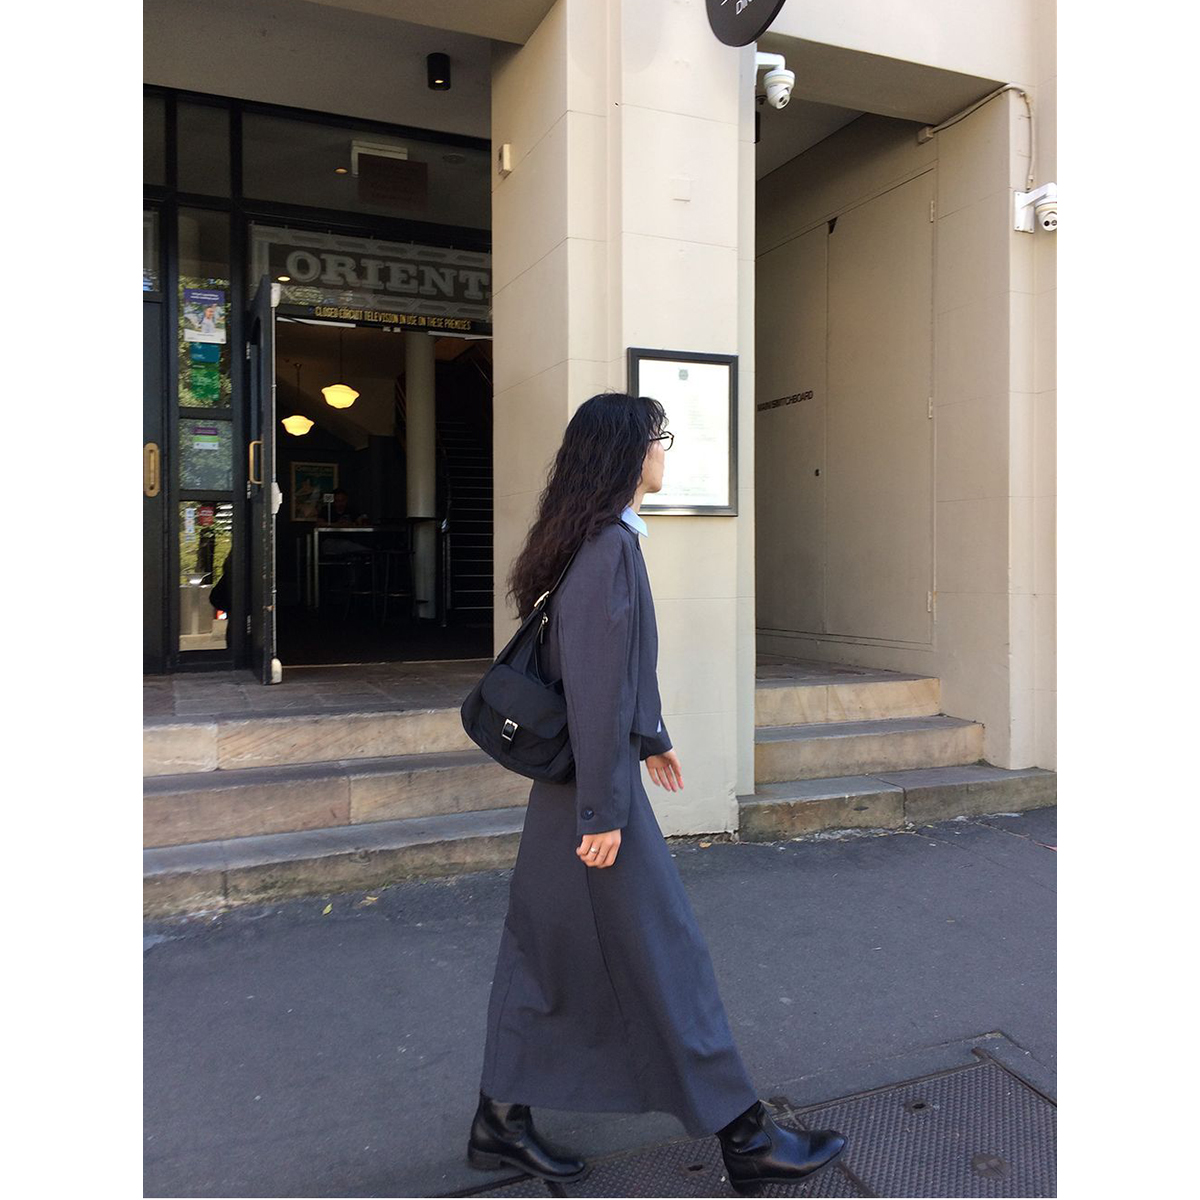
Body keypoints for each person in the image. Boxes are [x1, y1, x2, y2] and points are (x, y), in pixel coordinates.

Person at [467, 393, 847, 1194]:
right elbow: (597, 687)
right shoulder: (606, 546)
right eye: (657, 438)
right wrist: (606, 810)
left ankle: (500, 1120)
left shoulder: (599, 539)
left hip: (576, 792)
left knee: (550, 951)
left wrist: (653, 734)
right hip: (590, 800)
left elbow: (615, 670)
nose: (663, 450)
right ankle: (746, 1138)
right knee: (665, 955)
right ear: (628, 453)